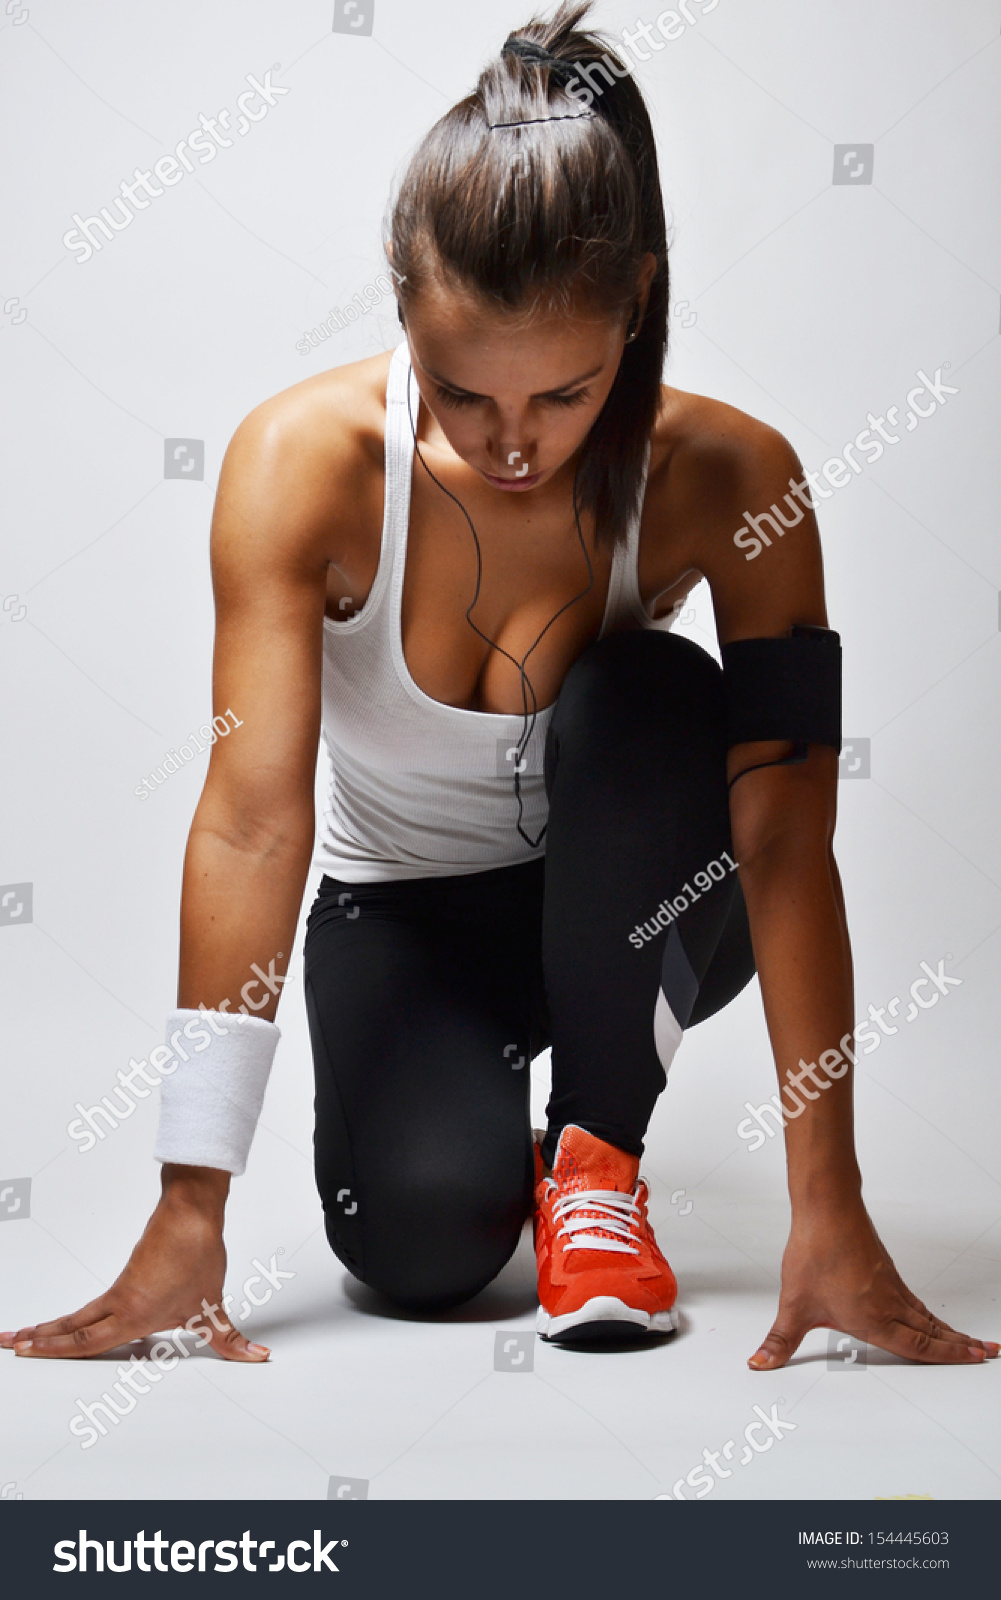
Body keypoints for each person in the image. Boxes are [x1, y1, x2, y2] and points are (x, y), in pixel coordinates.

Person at [4, 3, 996, 1368]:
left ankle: (595, 1153)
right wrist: (190, 1205)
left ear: (637, 306)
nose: (513, 444)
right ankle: (482, 1129)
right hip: (405, 915)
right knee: (419, 1259)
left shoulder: (737, 480)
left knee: (642, 688)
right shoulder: (300, 465)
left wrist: (829, 1206)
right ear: (405, 308)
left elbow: (779, 837)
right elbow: (250, 822)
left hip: (646, 906)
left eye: (566, 395)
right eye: (466, 394)